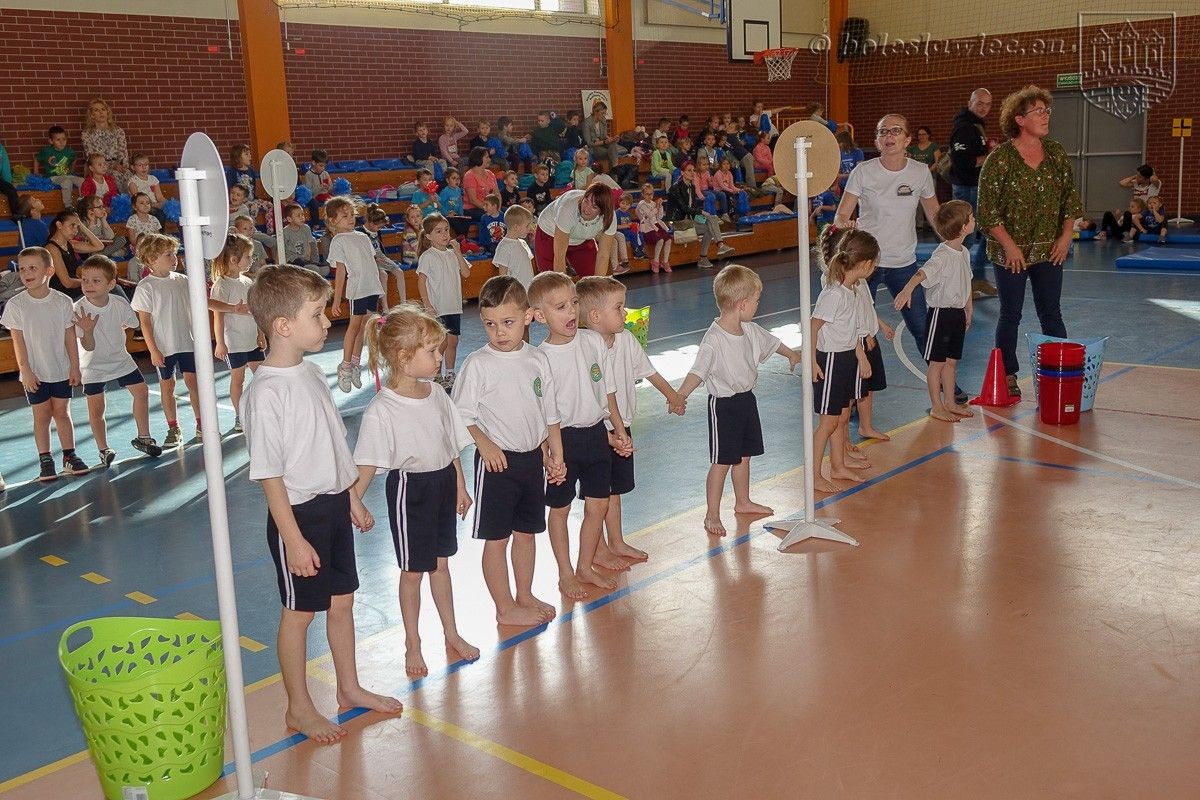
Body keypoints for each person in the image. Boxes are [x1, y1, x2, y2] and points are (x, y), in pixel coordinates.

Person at [241, 264, 403, 744]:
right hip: (298, 516)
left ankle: (349, 687)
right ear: (282, 326)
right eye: (316, 314)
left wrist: (350, 495)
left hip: (332, 505)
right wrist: (292, 539)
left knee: (342, 601)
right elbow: (269, 474)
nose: (327, 320)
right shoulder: (265, 392)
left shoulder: (310, 372)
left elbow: (332, 442)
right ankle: (298, 707)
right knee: (299, 614)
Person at [353, 306, 479, 678]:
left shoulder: (436, 393)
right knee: (413, 571)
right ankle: (413, 641)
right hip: (411, 491)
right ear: (404, 357)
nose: (440, 357)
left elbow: (449, 443)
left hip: (442, 483)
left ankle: (451, 633)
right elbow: (368, 463)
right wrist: (354, 500)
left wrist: (460, 484)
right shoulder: (383, 409)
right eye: (433, 351)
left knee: (441, 565)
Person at [451, 275, 564, 625]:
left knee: (526, 533)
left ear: (528, 317)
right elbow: (459, 415)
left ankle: (524, 595)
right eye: (490, 324)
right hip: (496, 465)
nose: (499, 332)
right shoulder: (478, 364)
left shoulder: (537, 359)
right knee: (497, 539)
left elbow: (549, 412)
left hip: (531, 461)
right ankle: (504, 608)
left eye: (508, 322)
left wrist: (553, 452)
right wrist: (484, 444)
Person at [677, 265, 801, 535]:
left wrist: (791, 354)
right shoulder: (714, 340)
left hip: (747, 401)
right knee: (722, 461)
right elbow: (698, 371)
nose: (758, 305)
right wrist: (681, 395)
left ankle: (742, 501)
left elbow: (772, 342)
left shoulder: (750, 330)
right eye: (756, 300)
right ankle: (711, 514)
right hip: (724, 407)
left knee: (744, 456)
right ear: (742, 304)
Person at [528, 271, 631, 598]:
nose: (571, 311)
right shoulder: (539, 358)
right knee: (559, 510)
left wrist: (617, 429)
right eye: (560, 307)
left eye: (574, 303)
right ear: (540, 315)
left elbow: (608, 391)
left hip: (596, 436)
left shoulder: (592, 341)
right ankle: (565, 573)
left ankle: (586, 564)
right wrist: (547, 453)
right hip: (563, 442)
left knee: (598, 505)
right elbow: (540, 412)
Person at [978, 86, 1081, 398]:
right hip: (1010, 252)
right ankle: (1008, 373)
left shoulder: (1056, 153)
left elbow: (1070, 199)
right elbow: (987, 212)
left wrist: (1066, 236)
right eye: (1038, 111)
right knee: (1011, 313)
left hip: (1050, 250)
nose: (1046, 116)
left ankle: (1060, 370)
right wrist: (1009, 246)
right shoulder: (1000, 160)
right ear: (1019, 119)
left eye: (1047, 110)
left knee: (1051, 312)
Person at [835, 114, 948, 395]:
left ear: (907, 139)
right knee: (861, 330)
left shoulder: (920, 173)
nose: (889, 136)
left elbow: (934, 213)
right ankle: (858, 394)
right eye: (882, 131)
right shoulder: (863, 172)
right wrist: (845, 225)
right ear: (876, 140)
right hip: (866, 265)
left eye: (896, 131)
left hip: (904, 264)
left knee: (921, 327)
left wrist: (952, 242)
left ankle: (948, 386)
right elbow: (841, 214)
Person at [576, 276, 684, 565]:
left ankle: (617, 541)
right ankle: (597, 551)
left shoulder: (626, 340)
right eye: (618, 307)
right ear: (595, 316)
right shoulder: (584, 349)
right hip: (596, 430)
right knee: (596, 497)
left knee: (614, 491)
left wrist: (672, 396)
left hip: (622, 426)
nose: (625, 312)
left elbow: (649, 371)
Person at [2, 247, 90, 482]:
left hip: (61, 370)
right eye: (22, 269)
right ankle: (45, 459)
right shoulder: (16, 305)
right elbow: (18, 342)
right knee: (41, 416)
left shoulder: (62, 302)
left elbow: (70, 337)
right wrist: (26, 370)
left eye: (33, 268)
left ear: (49, 271)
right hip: (34, 373)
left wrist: (74, 366)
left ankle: (69, 456)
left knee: (62, 413)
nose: (26, 273)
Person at [73, 255, 163, 462]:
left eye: (96, 281)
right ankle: (103, 449)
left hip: (120, 359)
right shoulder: (78, 309)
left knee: (141, 391)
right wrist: (88, 331)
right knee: (97, 408)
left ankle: (144, 437)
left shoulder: (119, 303)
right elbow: (88, 346)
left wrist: (113, 335)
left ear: (111, 284)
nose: (88, 285)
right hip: (92, 365)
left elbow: (131, 324)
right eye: (85, 280)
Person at [894, 200, 976, 422]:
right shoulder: (942, 255)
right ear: (963, 227)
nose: (974, 220)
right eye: (971, 217)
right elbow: (922, 273)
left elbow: (967, 281)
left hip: (957, 314)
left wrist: (968, 307)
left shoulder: (964, 252)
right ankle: (936, 406)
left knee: (951, 362)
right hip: (941, 315)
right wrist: (907, 289)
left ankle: (950, 402)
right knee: (937, 363)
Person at [810, 231, 875, 493]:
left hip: (846, 357)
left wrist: (860, 356)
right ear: (866, 264)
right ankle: (814, 475)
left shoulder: (851, 290)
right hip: (830, 360)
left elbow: (851, 330)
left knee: (841, 416)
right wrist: (813, 362)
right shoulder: (834, 294)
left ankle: (838, 464)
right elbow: (813, 326)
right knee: (828, 422)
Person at [131, 233, 200, 447]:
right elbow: (145, 322)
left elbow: (197, 308)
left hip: (187, 342)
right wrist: (153, 350)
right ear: (153, 259)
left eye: (174, 253)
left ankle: (202, 423)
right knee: (167, 386)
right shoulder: (146, 286)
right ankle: (173, 428)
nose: (174, 258)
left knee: (194, 383)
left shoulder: (183, 281)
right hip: (164, 346)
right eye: (168, 254)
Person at [326, 197, 383, 393]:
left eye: (352, 215)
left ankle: (356, 363)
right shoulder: (338, 241)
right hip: (357, 290)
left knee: (364, 328)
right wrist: (337, 299)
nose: (351, 219)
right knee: (354, 327)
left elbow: (371, 263)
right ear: (333, 220)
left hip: (371, 288)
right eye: (344, 216)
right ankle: (345, 366)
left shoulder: (363, 237)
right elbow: (341, 271)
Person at [210, 234, 265, 431]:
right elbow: (218, 314)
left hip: (251, 339)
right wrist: (220, 342)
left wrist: (261, 333)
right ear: (234, 260)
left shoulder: (248, 282)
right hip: (234, 342)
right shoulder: (222, 285)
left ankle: (262, 410)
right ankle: (239, 415)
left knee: (262, 375)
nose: (251, 260)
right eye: (248, 257)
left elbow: (255, 310)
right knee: (238, 379)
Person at [948, 88, 997, 298]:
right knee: (965, 237)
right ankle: (961, 284)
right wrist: (991, 156)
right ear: (970, 103)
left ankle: (977, 278)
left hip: (979, 187)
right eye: (979, 103)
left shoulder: (977, 125)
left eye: (988, 104)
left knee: (988, 232)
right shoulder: (963, 127)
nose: (984, 108)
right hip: (966, 188)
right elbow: (963, 161)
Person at [416, 213, 472, 389]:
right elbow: (421, 281)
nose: (444, 234)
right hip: (438, 308)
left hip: (453, 306)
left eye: (446, 230)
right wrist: (427, 305)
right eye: (438, 231)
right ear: (428, 236)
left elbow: (466, 273)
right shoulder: (428, 256)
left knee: (453, 342)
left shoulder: (452, 254)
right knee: (441, 342)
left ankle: (450, 373)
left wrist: (458, 252)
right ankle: (436, 373)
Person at [534, 183, 616, 278]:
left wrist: (597, 284)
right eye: (586, 201)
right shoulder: (568, 208)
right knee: (551, 279)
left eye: (594, 207)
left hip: (580, 237)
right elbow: (559, 255)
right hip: (550, 231)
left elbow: (603, 255)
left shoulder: (609, 217)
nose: (586, 209)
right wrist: (562, 285)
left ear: (603, 211)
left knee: (592, 276)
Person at [666, 161, 736, 269]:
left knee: (711, 220)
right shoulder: (675, 188)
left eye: (693, 170)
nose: (692, 173)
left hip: (690, 219)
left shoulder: (692, 187)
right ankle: (719, 246)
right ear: (682, 173)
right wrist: (702, 212)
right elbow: (685, 209)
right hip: (677, 222)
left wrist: (705, 217)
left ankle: (710, 254)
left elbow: (693, 212)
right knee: (709, 222)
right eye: (689, 170)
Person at [47, 209, 103, 299]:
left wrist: (81, 225)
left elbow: (99, 246)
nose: (76, 230)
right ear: (59, 225)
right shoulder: (52, 249)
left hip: (76, 289)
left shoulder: (70, 244)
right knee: (107, 291)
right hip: (63, 295)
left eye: (77, 227)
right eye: (72, 225)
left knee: (113, 288)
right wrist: (89, 282)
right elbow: (67, 283)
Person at [361, 203, 405, 307]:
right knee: (383, 275)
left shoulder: (377, 231)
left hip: (380, 256)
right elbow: (362, 251)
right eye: (379, 227)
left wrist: (384, 258)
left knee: (399, 272)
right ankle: (385, 308)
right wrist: (374, 258)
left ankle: (403, 303)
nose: (379, 229)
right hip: (370, 260)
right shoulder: (361, 232)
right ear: (371, 223)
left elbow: (380, 247)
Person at [81, 98, 129, 186]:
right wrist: (111, 166)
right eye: (96, 110)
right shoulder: (87, 134)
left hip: (118, 165)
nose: (101, 112)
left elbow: (123, 154)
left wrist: (123, 167)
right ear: (92, 115)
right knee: (115, 176)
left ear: (107, 112)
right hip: (98, 168)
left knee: (131, 177)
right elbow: (92, 157)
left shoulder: (118, 131)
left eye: (103, 109)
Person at [34, 125, 84, 207]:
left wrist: (72, 170)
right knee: (67, 182)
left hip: (67, 175)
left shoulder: (69, 152)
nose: (62, 142)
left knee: (82, 181)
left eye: (64, 139)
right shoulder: (46, 151)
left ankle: (84, 202)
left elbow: (74, 159)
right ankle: (68, 206)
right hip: (53, 177)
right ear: (51, 141)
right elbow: (37, 159)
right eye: (58, 140)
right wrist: (36, 171)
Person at [493, 205, 536, 291]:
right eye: (527, 226)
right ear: (516, 227)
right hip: (515, 292)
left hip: (528, 290)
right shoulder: (504, 247)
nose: (529, 229)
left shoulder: (523, 243)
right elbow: (502, 275)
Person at [907, 127, 941, 230]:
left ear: (928, 135)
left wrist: (927, 172)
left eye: (924, 134)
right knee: (917, 200)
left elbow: (938, 161)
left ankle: (932, 224)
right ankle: (919, 224)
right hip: (915, 177)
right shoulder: (913, 148)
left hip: (930, 176)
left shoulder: (934, 146)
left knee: (929, 199)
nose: (921, 136)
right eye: (919, 134)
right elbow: (908, 160)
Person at [636, 181, 673, 274]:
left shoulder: (653, 203)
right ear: (643, 194)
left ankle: (665, 261)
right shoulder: (641, 204)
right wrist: (656, 206)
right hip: (647, 228)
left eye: (651, 194)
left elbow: (659, 216)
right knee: (660, 240)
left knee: (668, 240)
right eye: (647, 194)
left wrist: (660, 206)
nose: (649, 196)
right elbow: (649, 215)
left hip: (656, 225)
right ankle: (656, 261)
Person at [281, 202, 326, 276]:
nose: (302, 217)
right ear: (289, 219)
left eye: (302, 214)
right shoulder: (285, 232)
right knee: (309, 267)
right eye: (298, 216)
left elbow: (309, 245)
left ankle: (312, 266)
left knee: (325, 269)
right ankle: (309, 269)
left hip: (305, 259)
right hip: (293, 259)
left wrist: (308, 258)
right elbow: (283, 250)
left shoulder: (306, 228)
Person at [76, 195, 127, 260]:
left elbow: (110, 237)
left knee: (122, 239)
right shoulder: (83, 222)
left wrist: (104, 220)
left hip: (104, 247)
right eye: (100, 207)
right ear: (90, 210)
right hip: (92, 249)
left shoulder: (100, 220)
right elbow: (86, 239)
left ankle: (101, 255)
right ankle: (104, 255)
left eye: (103, 206)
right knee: (118, 253)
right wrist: (92, 222)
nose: (104, 209)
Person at [462, 147, 499, 223]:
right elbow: (473, 200)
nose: (490, 159)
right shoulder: (469, 175)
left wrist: (497, 208)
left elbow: (497, 194)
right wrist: (489, 209)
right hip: (473, 209)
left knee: (508, 214)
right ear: (478, 158)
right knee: (490, 217)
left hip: (491, 207)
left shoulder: (490, 174)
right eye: (487, 157)